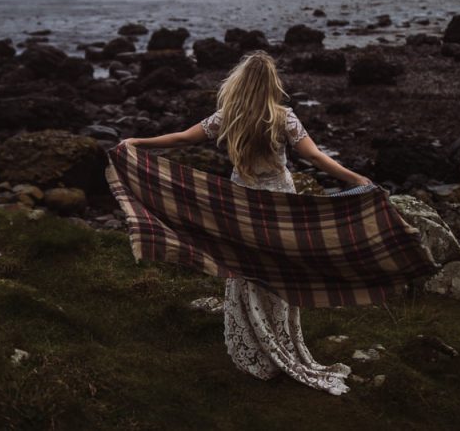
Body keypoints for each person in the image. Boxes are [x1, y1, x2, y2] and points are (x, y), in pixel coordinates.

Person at [120, 50, 374, 396]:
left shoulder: (228, 117)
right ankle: (279, 340)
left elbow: (180, 139)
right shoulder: (283, 118)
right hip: (281, 202)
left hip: (242, 204)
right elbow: (315, 157)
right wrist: (356, 178)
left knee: (246, 270)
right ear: (272, 84)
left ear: (239, 82)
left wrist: (138, 142)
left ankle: (256, 346)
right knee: (278, 272)